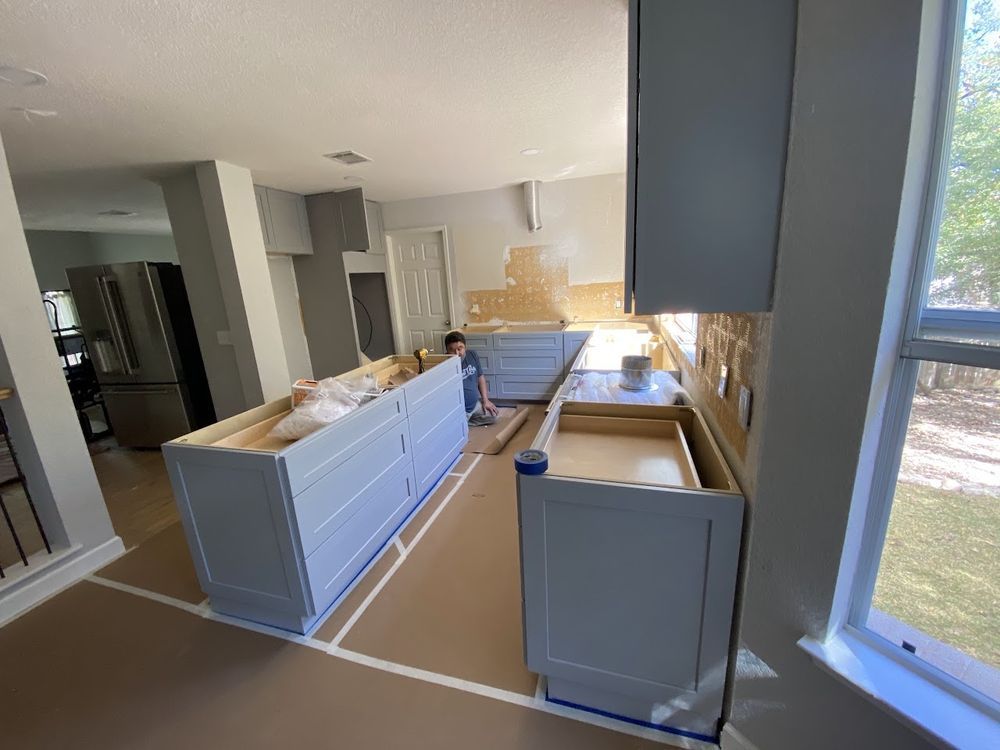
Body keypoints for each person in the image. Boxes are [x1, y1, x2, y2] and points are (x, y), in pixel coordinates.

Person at [445, 331, 499, 426]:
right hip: (461, 410)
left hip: (475, 405)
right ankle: (460, 422)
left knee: (493, 416)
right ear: (446, 351)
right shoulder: (444, 365)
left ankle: (465, 422)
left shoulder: (472, 355)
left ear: (465, 347)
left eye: (459, 348)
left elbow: (480, 378)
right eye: (452, 350)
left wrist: (485, 401)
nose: (457, 353)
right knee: (457, 435)